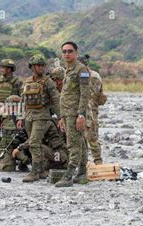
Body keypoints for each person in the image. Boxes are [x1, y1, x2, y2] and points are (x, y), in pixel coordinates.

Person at [16, 54, 60, 183]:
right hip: (29, 116)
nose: (40, 68)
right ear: (32, 67)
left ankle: (34, 172)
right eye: (38, 65)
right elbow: (22, 100)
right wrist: (20, 117)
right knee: (35, 144)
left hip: (42, 116)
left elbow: (56, 99)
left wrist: (61, 117)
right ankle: (40, 170)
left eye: (42, 65)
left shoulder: (48, 82)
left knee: (34, 142)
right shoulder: (28, 81)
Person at [55, 41, 93, 187]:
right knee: (81, 142)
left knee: (73, 144)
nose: (66, 54)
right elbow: (66, 94)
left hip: (75, 113)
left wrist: (81, 114)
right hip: (68, 113)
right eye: (64, 51)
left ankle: (69, 175)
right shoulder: (68, 70)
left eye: (70, 51)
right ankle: (82, 174)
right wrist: (62, 116)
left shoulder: (81, 69)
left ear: (76, 53)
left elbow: (85, 93)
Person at [78, 54, 107, 168]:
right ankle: (84, 163)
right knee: (81, 137)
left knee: (92, 136)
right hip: (81, 110)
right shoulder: (85, 74)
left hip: (91, 110)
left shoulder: (92, 76)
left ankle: (98, 162)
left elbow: (91, 96)